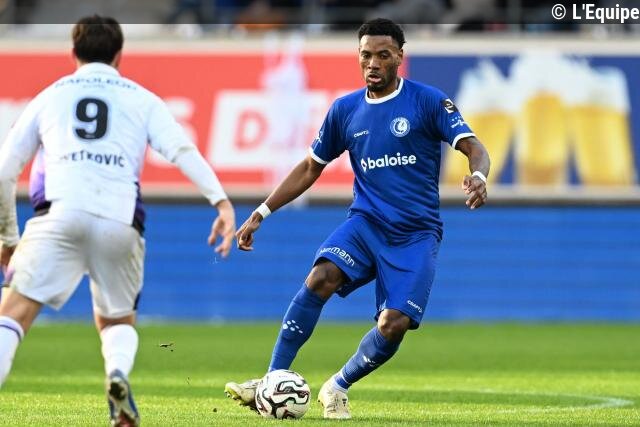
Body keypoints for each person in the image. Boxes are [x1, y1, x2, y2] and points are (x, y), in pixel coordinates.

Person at [224, 18, 490, 419]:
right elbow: (310, 167)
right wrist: (261, 212)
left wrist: (479, 176)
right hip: (366, 224)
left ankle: (337, 385)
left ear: (399, 56)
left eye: (383, 55)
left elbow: (474, 147)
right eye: (366, 55)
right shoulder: (345, 110)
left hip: (415, 234)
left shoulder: (427, 101)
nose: (373, 63)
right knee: (320, 277)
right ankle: (270, 379)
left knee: (393, 323)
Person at [0, 16, 236, 427]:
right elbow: (181, 149)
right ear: (119, 55)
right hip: (120, 220)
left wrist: (7, 238)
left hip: (57, 215)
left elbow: (5, 171)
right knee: (115, 319)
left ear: (73, 53)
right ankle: (117, 373)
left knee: (12, 315)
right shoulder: (142, 99)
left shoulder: (49, 97)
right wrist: (221, 201)